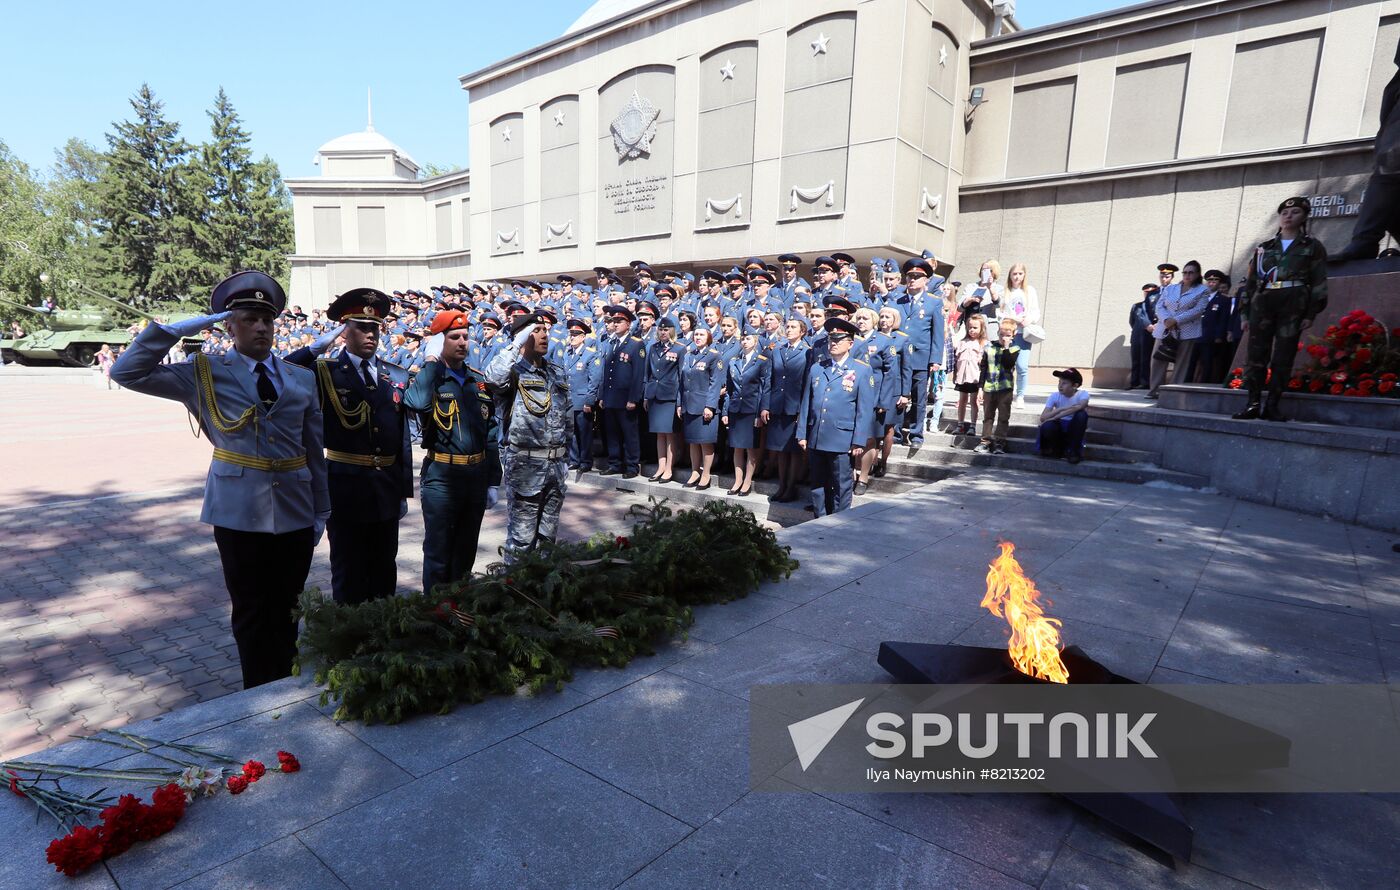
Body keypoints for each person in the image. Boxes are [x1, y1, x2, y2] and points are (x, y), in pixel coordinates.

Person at [110, 270, 329, 689]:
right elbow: (127, 373)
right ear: (228, 325)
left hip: (296, 509)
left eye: (267, 319)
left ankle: (284, 684)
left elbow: (313, 449)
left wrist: (322, 507)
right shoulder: (204, 372)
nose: (261, 327)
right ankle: (255, 693)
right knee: (250, 610)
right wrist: (168, 333)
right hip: (237, 510)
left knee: (289, 606)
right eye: (249, 318)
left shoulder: (300, 378)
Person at [285, 288, 413, 605]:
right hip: (345, 489)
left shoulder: (394, 374)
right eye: (362, 327)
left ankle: (381, 640)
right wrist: (316, 348)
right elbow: (283, 372)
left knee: (385, 571)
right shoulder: (323, 371)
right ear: (345, 331)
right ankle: (348, 642)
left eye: (375, 328)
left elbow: (402, 437)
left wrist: (402, 490)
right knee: (349, 571)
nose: (370, 334)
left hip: (385, 487)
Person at [403, 309, 501, 592]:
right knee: (439, 552)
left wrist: (494, 479)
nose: (461, 342)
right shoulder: (429, 378)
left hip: (476, 475)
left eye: (465, 337)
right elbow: (417, 403)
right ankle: (434, 616)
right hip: (442, 478)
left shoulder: (477, 380)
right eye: (453, 337)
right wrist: (431, 361)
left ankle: (460, 610)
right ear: (438, 342)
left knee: (466, 550)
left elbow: (490, 433)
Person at [484, 311, 572, 563]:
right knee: (522, 542)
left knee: (548, 541)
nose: (544, 335)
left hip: (555, 466)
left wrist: (565, 457)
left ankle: (542, 596)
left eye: (546, 330)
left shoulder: (556, 372)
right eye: (537, 330)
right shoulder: (512, 373)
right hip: (526, 468)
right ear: (521, 337)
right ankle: (516, 594)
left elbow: (568, 420)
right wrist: (516, 343)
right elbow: (492, 378)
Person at [1234, 197, 1329, 421]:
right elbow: (1250, 282)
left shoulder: (1312, 247)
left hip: (1293, 303)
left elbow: (1319, 281)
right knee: (1256, 355)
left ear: (1304, 217)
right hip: (1263, 302)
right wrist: (1244, 313)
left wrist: (1311, 313)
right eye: (1285, 213)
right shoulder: (1264, 248)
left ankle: (1273, 405)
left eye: (1295, 212)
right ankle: (1252, 403)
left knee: (1283, 355)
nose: (1288, 216)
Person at [798, 318, 874, 517]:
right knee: (817, 484)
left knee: (841, 485)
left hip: (842, 438)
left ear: (850, 343)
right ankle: (819, 520)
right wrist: (802, 434)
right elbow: (807, 402)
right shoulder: (817, 368)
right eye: (831, 339)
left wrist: (858, 440)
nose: (833, 343)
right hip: (817, 435)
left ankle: (840, 522)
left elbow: (864, 409)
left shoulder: (861, 370)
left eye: (838, 340)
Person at [894, 257, 944, 450]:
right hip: (899, 357)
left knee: (919, 398)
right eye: (910, 276)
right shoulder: (898, 300)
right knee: (898, 396)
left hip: (920, 358)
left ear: (926, 280)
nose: (912, 280)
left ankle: (916, 434)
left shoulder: (933, 303)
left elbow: (937, 334)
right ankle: (897, 433)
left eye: (917, 276)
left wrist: (935, 360)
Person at [764, 316, 811, 502]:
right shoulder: (778, 350)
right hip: (777, 406)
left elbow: (807, 383)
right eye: (788, 326)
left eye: (793, 327)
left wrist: (803, 410)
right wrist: (765, 405)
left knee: (793, 451)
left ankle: (791, 488)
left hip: (795, 407)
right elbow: (769, 379)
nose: (789, 329)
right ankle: (782, 486)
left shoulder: (807, 352)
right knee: (779, 450)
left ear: (802, 332)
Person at [1148, 260, 1210, 397]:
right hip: (1164, 329)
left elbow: (1198, 310)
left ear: (1197, 274)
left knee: (1181, 362)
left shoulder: (1203, 290)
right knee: (1158, 359)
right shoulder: (1171, 288)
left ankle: (1173, 391)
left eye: (1191, 272)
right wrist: (1166, 320)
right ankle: (1154, 390)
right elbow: (1160, 306)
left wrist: (1176, 320)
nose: (1187, 275)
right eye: (1185, 272)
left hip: (1186, 330)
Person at [598, 307, 647, 478]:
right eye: (614, 321)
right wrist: (603, 396)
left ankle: (632, 466)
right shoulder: (612, 343)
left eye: (619, 321)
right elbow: (607, 372)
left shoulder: (636, 344)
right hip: (611, 396)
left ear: (628, 324)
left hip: (626, 398)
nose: (615, 324)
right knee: (612, 433)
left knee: (629, 434)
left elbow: (638, 374)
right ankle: (615, 463)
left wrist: (634, 398)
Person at [722, 331, 770, 496]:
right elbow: (729, 389)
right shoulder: (734, 361)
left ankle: (747, 481)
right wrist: (725, 411)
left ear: (755, 341)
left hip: (751, 410)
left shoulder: (762, 362)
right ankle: (737, 480)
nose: (744, 341)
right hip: (736, 409)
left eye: (748, 338)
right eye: (742, 338)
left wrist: (759, 413)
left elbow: (765, 389)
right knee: (736, 447)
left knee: (750, 448)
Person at [678, 326, 724, 489]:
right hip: (689, 404)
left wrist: (710, 406)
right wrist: (679, 403)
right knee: (693, 442)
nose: (698, 337)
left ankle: (706, 474)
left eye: (702, 335)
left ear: (709, 337)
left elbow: (715, 383)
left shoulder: (714, 356)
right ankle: (694, 471)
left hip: (704, 406)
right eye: (696, 334)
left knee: (705, 442)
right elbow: (682, 382)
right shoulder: (688, 355)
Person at [868, 307, 910, 482]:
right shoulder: (874, 337)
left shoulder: (903, 339)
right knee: (874, 428)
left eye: (888, 317)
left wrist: (905, 393)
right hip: (876, 388)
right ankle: (872, 460)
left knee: (888, 428)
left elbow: (906, 368)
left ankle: (883, 462)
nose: (884, 320)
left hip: (894, 390)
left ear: (895, 320)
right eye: (882, 316)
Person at [643, 315, 686, 482]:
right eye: (660, 329)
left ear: (672, 331)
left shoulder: (679, 349)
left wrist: (680, 401)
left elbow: (682, 376)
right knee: (659, 434)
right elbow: (648, 373)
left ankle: (669, 468)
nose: (662, 332)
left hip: (670, 396)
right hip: (654, 394)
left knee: (670, 434)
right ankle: (660, 467)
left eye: (666, 329)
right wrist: (646, 395)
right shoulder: (653, 348)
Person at [974, 318, 1020, 455]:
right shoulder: (989, 347)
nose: (1003, 338)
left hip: (1005, 388)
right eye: (1001, 335)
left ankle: (1000, 443)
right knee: (988, 415)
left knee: (1003, 417)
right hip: (990, 387)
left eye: (1007, 335)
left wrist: (1006, 347)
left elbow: (1008, 364)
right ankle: (985, 442)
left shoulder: (1014, 348)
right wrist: (980, 388)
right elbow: (983, 368)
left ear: (1013, 335)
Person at [563, 319, 602, 475]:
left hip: (582, 399)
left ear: (583, 337)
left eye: (576, 334)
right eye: (571, 334)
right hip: (569, 399)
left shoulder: (590, 354)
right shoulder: (567, 353)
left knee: (584, 432)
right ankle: (574, 459)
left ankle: (586, 461)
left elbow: (594, 380)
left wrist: (589, 401)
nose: (572, 337)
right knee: (571, 432)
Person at [1002, 263, 1040, 409]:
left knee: (1022, 366)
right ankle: (1007, 394)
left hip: (1023, 333)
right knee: (1007, 365)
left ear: (1024, 275)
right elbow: (1001, 312)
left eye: (1020, 274)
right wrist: (1013, 318)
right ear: (1010, 275)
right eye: (1014, 274)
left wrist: (1029, 319)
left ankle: (1020, 395)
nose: (1017, 277)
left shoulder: (1029, 291)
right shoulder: (1006, 291)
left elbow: (1036, 312)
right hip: (1009, 332)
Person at [1037, 368, 1090, 464]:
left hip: (1074, 428)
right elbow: (1043, 417)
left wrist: (1056, 416)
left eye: (1064, 383)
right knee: (1047, 426)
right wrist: (1059, 409)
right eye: (1059, 382)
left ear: (1075, 385)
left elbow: (1080, 406)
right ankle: (1057, 449)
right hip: (1059, 427)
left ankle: (1073, 452)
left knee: (1081, 415)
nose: (1060, 386)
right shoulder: (1054, 396)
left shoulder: (1082, 394)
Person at [952, 314, 988, 436]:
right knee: (962, 400)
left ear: (981, 329)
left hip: (975, 378)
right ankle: (960, 424)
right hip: (962, 377)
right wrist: (955, 375)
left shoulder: (983, 344)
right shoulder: (962, 342)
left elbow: (984, 364)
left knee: (974, 401)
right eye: (970, 327)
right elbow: (957, 360)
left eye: (975, 328)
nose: (972, 330)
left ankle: (972, 425)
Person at [1196, 270, 1233, 384]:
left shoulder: (1224, 300)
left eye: (1215, 280)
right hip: (1195, 334)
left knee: (1207, 363)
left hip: (1210, 336)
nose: (1212, 283)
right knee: (1191, 363)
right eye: (1209, 280)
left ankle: (1203, 385)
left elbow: (1223, 319)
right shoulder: (1200, 297)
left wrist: (1218, 336)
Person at [1128, 284, 1159, 389]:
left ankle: (1145, 382)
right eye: (1146, 292)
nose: (1147, 294)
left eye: (1150, 292)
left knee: (1146, 360)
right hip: (1137, 336)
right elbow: (1132, 321)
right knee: (1135, 360)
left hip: (1149, 336)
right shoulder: (1137, 306)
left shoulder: (1157, 306)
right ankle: (1133, 382)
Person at [958, 260, 1003, 330]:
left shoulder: (998, 288)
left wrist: (990, 287)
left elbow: (999, 305)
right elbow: (959, 308)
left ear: (994, 272)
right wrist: (968, 301)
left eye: (989, 270)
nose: (985, 272)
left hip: (988, 329)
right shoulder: (970, 287)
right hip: (970, 328)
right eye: (983, 270)